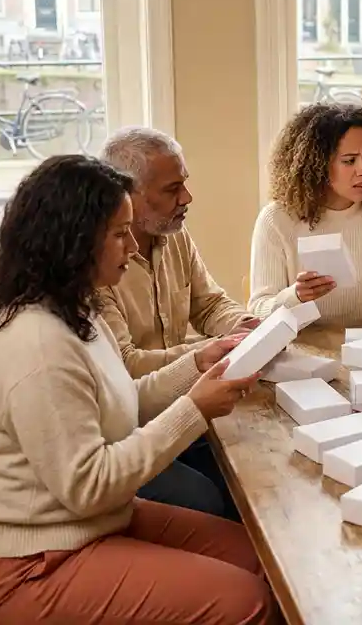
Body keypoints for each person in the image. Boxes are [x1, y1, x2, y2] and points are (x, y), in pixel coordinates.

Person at [0, 155, 276, 625]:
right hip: (29, 564)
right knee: (247, 601)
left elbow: (122, 402)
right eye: (120, 233)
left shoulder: (75, 309)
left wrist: (196, 364)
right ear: (76, 240)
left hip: (86, 524)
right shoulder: (38, 342)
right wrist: (195, 410)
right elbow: (90, 486)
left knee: (263, 561)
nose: (133, 245)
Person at [100, 126, 255, 519]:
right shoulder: (96, 267)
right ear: (128, 195)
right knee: (213, 495)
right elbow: (126, 366)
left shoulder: (175, 236)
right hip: (134, 428)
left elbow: (209, 304)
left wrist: (246, 325)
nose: (187, 198)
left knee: (254, 466)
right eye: (172, 189)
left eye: (184, 183)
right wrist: (203, 354)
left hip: (180, 405)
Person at [248, 102, 362, 325]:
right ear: (317, 165)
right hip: (297, 346)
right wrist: (296, 297)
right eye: (349, 161)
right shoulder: (276, 220)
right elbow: (258, 312)